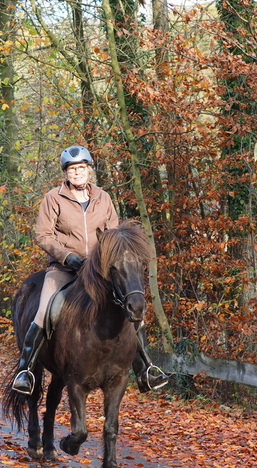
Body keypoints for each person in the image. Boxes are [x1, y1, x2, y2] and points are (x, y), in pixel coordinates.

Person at [11, 145, 169, 395]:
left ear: (89, 170)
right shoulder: (54, 198)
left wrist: (105, 259)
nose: (77, 173)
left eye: (81, 168)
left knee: (130, 306)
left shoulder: (103, 198)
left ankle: (147, 369)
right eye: (73, 169)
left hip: (99, 270)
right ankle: (26, 371)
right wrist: (67, 256)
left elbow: (115, 235)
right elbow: (43, 235)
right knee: (45, 311)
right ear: (66, 172)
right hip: (63, 268)